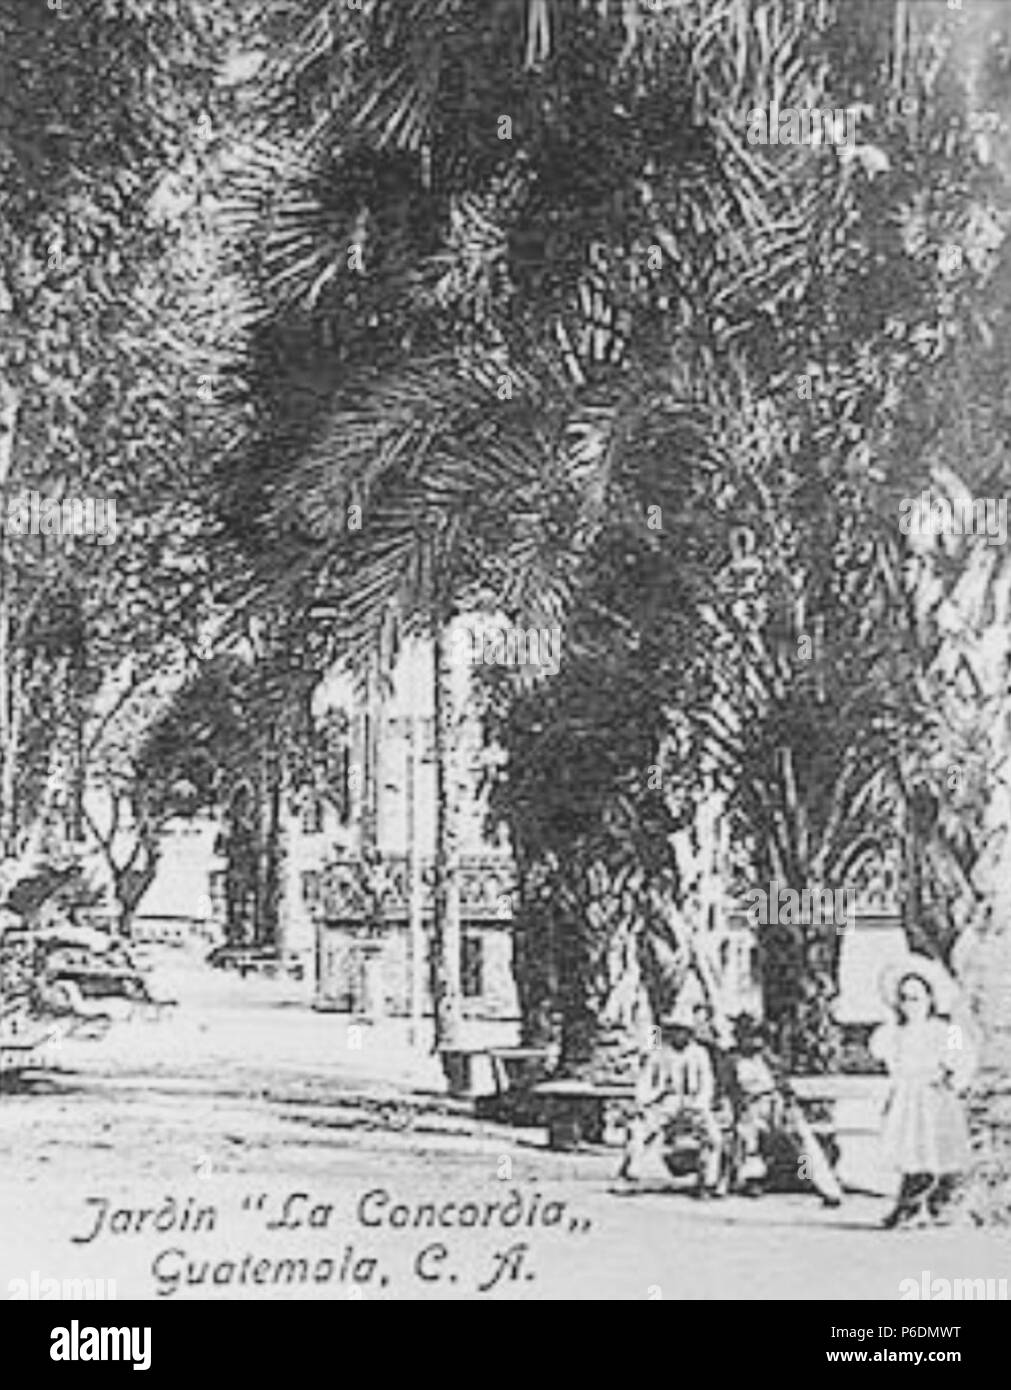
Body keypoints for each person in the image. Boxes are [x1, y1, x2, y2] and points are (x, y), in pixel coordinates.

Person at [872, 959, 975, 1229]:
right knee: (910, 1153)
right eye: (905, 999)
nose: (910, 1005)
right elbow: (885, 1056)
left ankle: (930, 1206)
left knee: (933, 1151)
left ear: (930, 999)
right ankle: (908, 1206)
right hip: (908, 1098)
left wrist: (952, 1074)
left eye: (917, 998)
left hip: (934, 1097)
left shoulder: (946, 1030)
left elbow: (962, 1058)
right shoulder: (895, 1033)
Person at [618, 1004, 724, 1196]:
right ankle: (630, 1177)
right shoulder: (658, 1051)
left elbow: (707, 1083)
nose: (679, 1036)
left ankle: (708, 1182)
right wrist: (642, 1102)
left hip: (693, 1103)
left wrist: (700, 1104)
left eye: (683, 1031)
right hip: (666, 1101)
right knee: (639, 1130)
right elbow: (646, 1079)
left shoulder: (700, 1053)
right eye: (675, 1031)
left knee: (713, 1137)